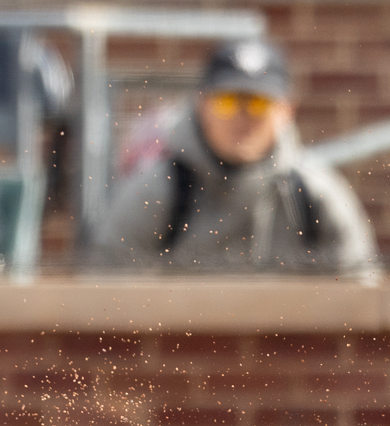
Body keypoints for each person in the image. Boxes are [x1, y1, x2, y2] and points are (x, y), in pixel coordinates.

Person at [99, 38, 374, 274]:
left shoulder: (315, 196)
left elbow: (359, 303)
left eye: (258, 103)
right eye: (227, 102)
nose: (242, 118)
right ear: (201, 105)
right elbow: (105, 303)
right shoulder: (156, 193)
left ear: (286, 110)